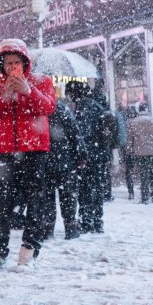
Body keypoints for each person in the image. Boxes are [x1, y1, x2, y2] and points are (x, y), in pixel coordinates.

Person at [0, 39, 55, 269]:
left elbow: (48, 107)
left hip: (33, 151)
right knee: (0, 202)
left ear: (24, 62)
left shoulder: (41, 82)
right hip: (5, 151)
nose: (12, 66)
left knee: (35, 201)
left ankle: (29, 251)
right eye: (8, 62)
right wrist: (4, 94)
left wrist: (28, 91)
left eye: (16, 62)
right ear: (1, 65)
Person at [66, 81, 109, 234]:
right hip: (100, 153)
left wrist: (79, 151)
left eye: (69, 93)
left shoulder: (84, 106)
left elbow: (83, 133)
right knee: (96, 187)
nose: (69, 97)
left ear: (75, 93)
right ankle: (97, 221)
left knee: (85, 188)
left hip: (89, 154)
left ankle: (87, 221)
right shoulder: (97, 105)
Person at [40, 98, 82, 240]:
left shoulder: (39, 110)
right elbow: (75, 135)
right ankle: (70, 228)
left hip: (45, 160)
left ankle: (47, 228)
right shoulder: (63, 111)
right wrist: (81, 155)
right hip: (65, 161)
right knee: (68, 196)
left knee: (47, 197)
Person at [121, 107, 138, 200]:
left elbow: (122, 139)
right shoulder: (138, 123)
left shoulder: (124, 124)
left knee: (129, 172)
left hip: (128, 151)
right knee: (143, 171)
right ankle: (146, 191)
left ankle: (131, 192)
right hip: (139, 150)